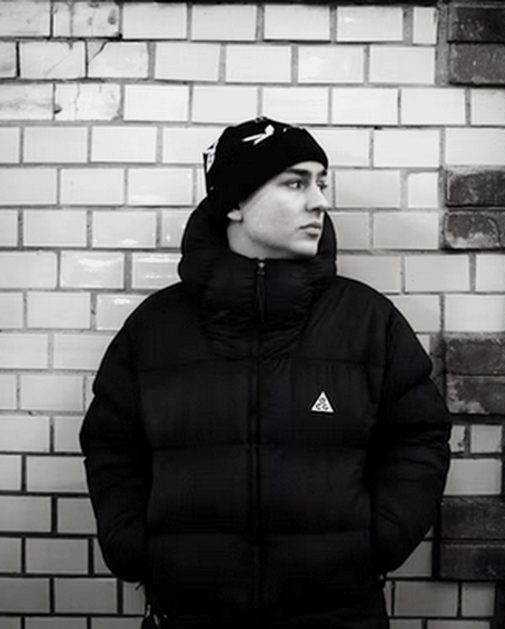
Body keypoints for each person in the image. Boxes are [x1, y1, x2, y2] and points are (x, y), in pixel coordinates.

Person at [80, 117, 452, 629]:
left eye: (320, 183)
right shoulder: (156, 329)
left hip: (338, 617)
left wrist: (380, 538)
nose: (319, 202)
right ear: (234, 203)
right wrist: (134, 544)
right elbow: (112, 444)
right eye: (296, 183)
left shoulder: (368, 323)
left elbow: (419, 436)